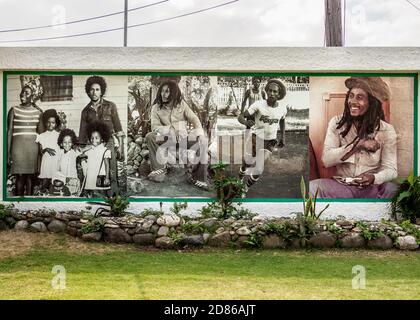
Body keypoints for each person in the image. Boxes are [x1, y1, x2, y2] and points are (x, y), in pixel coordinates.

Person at [309, 77, 398, 198]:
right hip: (342, 186)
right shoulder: (337, 123)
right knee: (312, 187)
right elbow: (326, 160)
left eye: (360, 97)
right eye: (351, 96)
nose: (353, 101)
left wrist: (374, 178)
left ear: (372, 103)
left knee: (394, 190)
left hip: (373, 188)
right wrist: (357, 146)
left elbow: (391, 170)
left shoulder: (386, 130)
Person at [145, 79, 209, 190]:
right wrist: (169, 129)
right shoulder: (156, 108)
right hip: (167, 139)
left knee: (202, 141)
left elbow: (194, 118)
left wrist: (200, 133)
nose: (163, 94)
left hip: (183, 139)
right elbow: (154, 127)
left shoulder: (182, 104)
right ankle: (158, 169)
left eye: (167, 91)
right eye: (162, 91)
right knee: (150, 136)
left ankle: (198, 178)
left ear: (174, 93)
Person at [238, 79, 287, 197]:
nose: (271, 93)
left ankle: (245, 187)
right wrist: (246, 122)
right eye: (269, 90)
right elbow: (240, 116)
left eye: (274, 91)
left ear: (279, 94)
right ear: (266, 91)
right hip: (256, 138)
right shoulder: (258, 105)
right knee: (247, 162)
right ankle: (240, 178)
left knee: (259, 169)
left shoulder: (283, 109)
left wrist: (283, 137)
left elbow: (282, 120)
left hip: (270, 141)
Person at [79, 76, 124, 195]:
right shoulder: (85, 111)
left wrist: (121, 147)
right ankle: (98, 197)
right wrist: (83, 150)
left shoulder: (111, 106)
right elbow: (82, 134)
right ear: (88, 91)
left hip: (108, 143)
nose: (94, 92)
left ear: (102, 91)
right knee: (96, 172)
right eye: (92, 89)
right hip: (93, 145)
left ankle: (114, 199)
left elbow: (118, 128)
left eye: (97, 89)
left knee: (111, 171)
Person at [7, 85, 44, 196]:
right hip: (18, 148)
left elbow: (41, 134)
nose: (23, 94)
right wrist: (8, 152)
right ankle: (18, 203)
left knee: (30, 178)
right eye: (22, 92)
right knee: (20, 176)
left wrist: (41, 155)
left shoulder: (38, 113)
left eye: (27, 93)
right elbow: (9, 132)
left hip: (32, 149)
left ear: (32, 96)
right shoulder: (13, 110)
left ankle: (28, 204)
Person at [81, 120, 111, 197]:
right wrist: (87, 148)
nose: (94, 140)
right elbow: (80, 154)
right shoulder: (90, 150)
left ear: (102, 139)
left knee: (101, 194)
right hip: (91, 176)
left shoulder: (105, 150)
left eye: (96, 138)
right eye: (92, 138)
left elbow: (107, 165)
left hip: (100, 176)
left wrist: (107, 178)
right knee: (90, 193)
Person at [35, 109, 61, 193]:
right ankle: (42, 194)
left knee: (55, 181)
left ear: (56, 124)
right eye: (48, 122)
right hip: (46, 161)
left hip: (56, 161)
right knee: (45, 181)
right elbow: (40, 152)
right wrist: (46, 149)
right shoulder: (41, 136)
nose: (50, 124)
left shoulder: (59, 135)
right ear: (45, 123)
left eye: (53, 123)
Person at [55, 128, 82, 196]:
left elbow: (84, 150)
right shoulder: (60, 153)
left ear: (72, 143)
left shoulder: (74, 152)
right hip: (62, 180)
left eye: (69, 142)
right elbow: (58, 169)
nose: (67, 144)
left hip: (73, 181)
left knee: (72, 198)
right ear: (61, 143)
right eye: (65, 142)